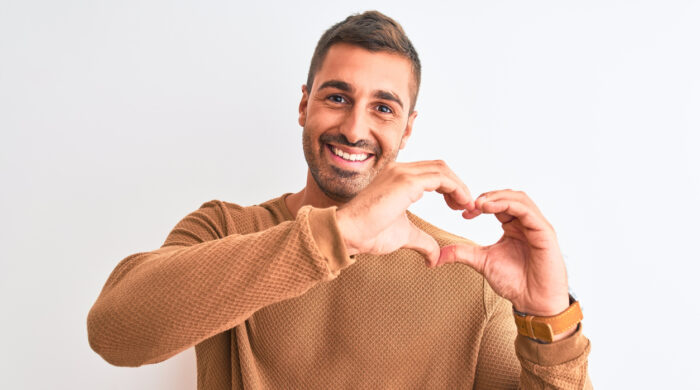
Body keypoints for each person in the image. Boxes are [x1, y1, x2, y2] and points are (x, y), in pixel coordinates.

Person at [87, 10, 591, 389]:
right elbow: (114, 333)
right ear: (304, 103)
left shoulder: (466, 276)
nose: (354, 128)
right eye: (336, 97)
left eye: (383, 107)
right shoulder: (224, 230)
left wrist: (550, 320)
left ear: (408, 128)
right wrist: (340, 233)